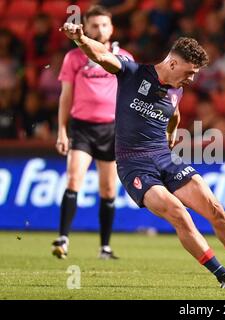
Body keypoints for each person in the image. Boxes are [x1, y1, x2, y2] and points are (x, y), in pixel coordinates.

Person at [58, 23, 225, 289]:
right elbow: (102, 55)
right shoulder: (132, 73)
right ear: (172, 64)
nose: (192, 79)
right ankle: (223, 276)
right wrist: (80, 39)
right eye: (190, 72)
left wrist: (172, 133)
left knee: (215, 209)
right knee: (178, 213)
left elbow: (175, 112)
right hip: (133, 165)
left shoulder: (177, 88)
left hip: (164, 156)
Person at [52, 6, 134, 260]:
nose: (100, 30)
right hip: (83, 128)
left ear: (112, 28)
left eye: (104, 25)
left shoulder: (124, 57)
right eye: (95, 25)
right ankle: (63, 239)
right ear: (86, 28)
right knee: (74, 178)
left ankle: (105, 248)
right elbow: (66, 96)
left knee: (108, 190)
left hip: (111, 129)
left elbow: (131, 97)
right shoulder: (74, 58)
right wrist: (62, 131)